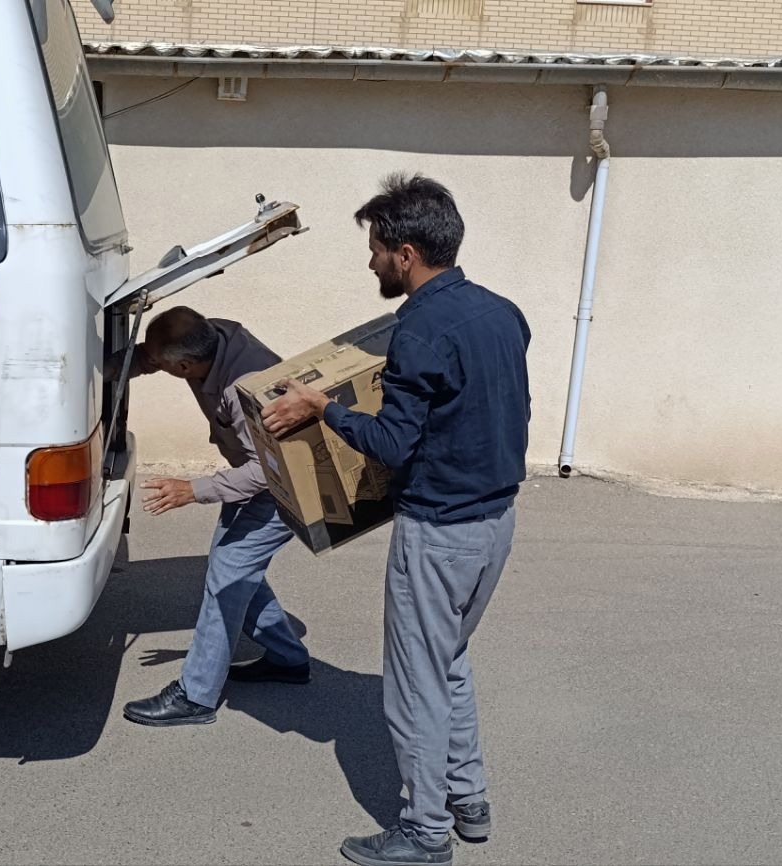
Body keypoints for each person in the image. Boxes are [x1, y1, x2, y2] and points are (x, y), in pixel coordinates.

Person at [262, 174, 531, 866]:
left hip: (439, 532)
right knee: (448, 662)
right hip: (495, 522)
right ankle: (468, 801)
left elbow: (390, 444)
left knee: (414, 683)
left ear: (406, 254)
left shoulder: (419, 329)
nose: (372, 261)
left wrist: (324, 408)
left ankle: (424, 831)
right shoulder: (503, 313)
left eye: (376, 249)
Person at [121, 306, 313, 727]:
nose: (152, 366)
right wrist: (93, 371)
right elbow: (148, 356)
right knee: (233, 569)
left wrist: (193, 490)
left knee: (227, 575)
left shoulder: (248, 391)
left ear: (185, 367)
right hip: (252, 470)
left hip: (283, 485)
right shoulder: (211, 336)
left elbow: (267, 471)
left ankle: (196, 695)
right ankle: (287, 658)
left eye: (161, 364)